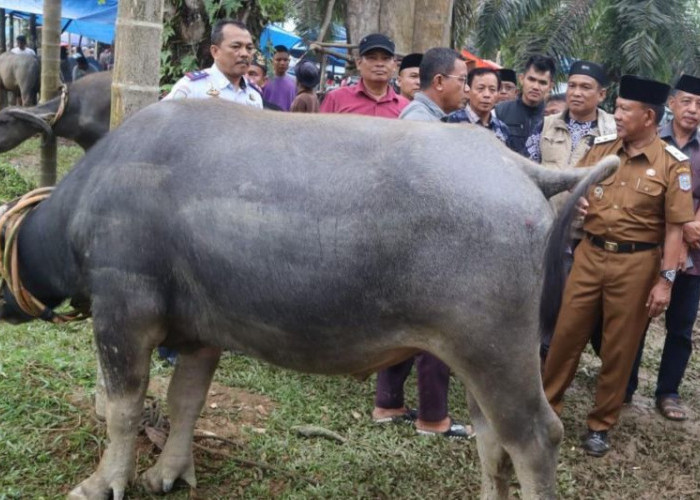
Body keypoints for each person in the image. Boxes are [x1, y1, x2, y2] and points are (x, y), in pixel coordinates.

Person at [542, 74, 695, 457]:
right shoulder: (602, 148)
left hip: (637, 264)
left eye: (625, 109)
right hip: (590, 255)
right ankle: (546, 410)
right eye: (619, 107)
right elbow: (578, 182)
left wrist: (665, 282)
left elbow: (676, 230)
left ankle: (600, 424)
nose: (617, 115)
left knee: (619, 349)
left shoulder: (672, 165)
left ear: (648, 116)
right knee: (565, 336)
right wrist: (578, 198)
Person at [373, 47, 472, 439]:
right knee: (435, 330)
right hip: (423, 248)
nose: (465, 89)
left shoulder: (425, 118)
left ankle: (388, 403)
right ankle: (433, 418)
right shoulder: (423, 126)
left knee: (406, 325)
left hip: (409, 246)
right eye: (462, 80)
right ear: (439, 82)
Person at [625, 74, 700, 421]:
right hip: (651, 245)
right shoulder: (652, 139)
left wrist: (689, 232)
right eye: (686, 101)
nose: (693, 109)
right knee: (637, 318)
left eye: (699, 105)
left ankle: (668, 392)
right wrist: (683, 229)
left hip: (695, 254)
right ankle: (624, 384)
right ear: (671, 104)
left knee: (681, 327)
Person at [164, 19, 262, 109]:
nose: (245, 54)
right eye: (236, 46)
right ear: (215, 51)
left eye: (249, 48)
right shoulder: (193, 88)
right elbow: (163, 120)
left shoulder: (254, 95)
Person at [319, 33, 408, 116]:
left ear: (394, 65)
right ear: (359, 63)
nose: (380, 64)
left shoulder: (405, 107)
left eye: (386, 59)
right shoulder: (336, 99)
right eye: (372, 58)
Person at [495, 55, 555, 155]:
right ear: (522, 79)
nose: (536, 87)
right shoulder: (500, 111)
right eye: (531, 80)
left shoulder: (555, 118)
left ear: (550, 86)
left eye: (542, 82)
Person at [443, 67, 509, 143]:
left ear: (498, 94)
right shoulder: (450, 122)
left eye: (492, 90)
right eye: (480, 88)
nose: (486, 95)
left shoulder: (502, 129)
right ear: (468, 90)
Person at [262, 45, 297, 111]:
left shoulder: (294, 82)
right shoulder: (264, 80)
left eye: (285, 60)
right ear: (272, 61)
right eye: (278, 60)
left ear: (289, 61)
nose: (282, 63)